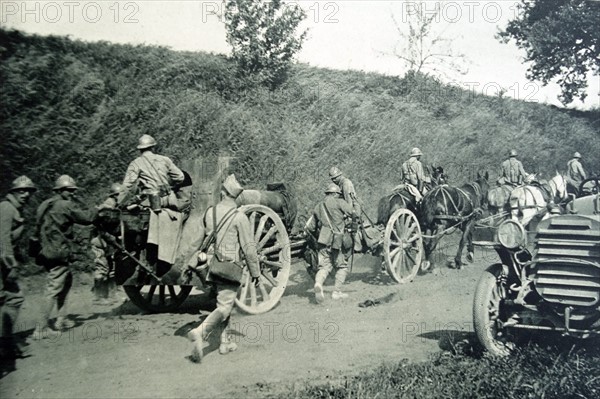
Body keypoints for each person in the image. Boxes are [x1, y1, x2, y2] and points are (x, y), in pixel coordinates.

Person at [186, 174, 261, 363]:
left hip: (209, 266)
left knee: (223, 302)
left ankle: (225, 342)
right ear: (235, 197)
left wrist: (189, 262)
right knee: (225, 306)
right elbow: (249, 249)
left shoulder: (210, 212)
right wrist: (256, 272)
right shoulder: (239, 217)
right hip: (228, 266)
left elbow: (199, 239)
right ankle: (200, 332)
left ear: (222, 193)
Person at [33, 175, 96, 337]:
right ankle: (41, 328)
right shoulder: (66, 205)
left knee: (65, 283)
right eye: (69, 190)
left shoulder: (45, 204)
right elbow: (87, 219)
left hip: (45, 250)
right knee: (54, 288)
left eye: (73, 191)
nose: (72, 193)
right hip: (58, 251)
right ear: (60, 191)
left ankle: (61, 319)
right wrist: (98, 208)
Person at [0, 176, 36, 372]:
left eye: (28, 191)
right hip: (2, 261)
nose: (25, 194)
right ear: (13, 192)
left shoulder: (16, 209)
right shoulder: (6, 208)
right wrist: (11, 264)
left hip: (3, 262)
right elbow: (3, 238)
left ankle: (6, 342)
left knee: (13, 299)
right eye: (21, 191)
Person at [305, 183, 354, 303]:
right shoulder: (340, 202)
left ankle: (318, 284)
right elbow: (353, 213)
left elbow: (311, 227)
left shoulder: (318, 206)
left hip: (323, 240)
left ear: (327, 193)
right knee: (342, 266)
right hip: (337, 241)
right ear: (336, 194)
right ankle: (337, 292)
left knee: (324, 267)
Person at [118, 134, 185, 208]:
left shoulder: (135, 163)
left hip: (150, 202)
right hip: (169, 200)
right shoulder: (165, 159)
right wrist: (171, 186)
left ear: (140, 149)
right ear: (152, 147)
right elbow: (180, 177)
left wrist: (119, 202)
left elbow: (127, 185)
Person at [91, 183, 124, 305]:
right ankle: (98, 297)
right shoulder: (106, 207)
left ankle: (112, 295)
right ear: (116, 195)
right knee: (102, 268)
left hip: (109, 242)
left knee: (112, 268)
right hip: (100, 241)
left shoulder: (115, 206)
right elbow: (98, 224)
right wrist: (109, 237)